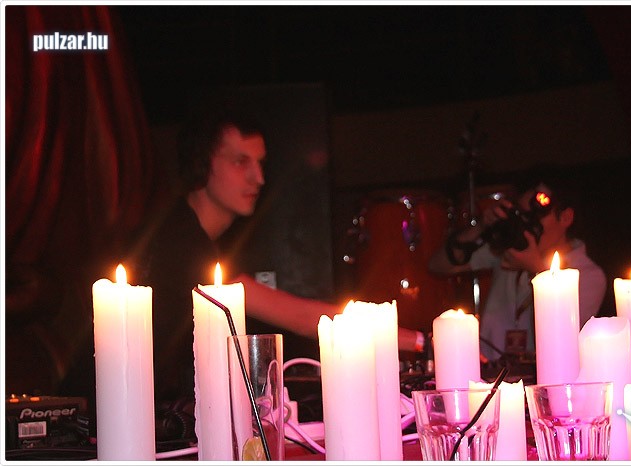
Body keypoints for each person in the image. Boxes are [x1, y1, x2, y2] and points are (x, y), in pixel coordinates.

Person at [128, 101, 421, 412]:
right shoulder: (179, 239)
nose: (259, 178)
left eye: (260, 163)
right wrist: (420, 342)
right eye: (240, 162)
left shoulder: (186, 230)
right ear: (200, 163)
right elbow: (302, 318)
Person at [429, 176, 606, 362]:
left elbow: (560, 342)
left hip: (540, 373)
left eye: (536, 216)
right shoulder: (510, 251)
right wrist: (481, 227)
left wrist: (537, 270)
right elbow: (438, 265)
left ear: (566, 217)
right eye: (522, 214)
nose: (528, 225)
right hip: (491, 369)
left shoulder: (589, 275)